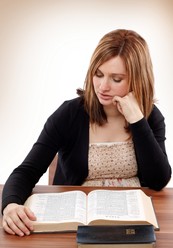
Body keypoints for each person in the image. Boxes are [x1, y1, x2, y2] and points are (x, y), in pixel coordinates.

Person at [1, 29, 171, 236]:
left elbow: (159, 179)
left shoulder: (150, 117)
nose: (103, 86)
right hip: (76, 223)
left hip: (133, 222)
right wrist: (10, 205)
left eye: (116, 79)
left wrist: (137, 120)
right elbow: (26, 171)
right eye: (98, 74)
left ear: (137, 80)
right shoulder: (69, 114)